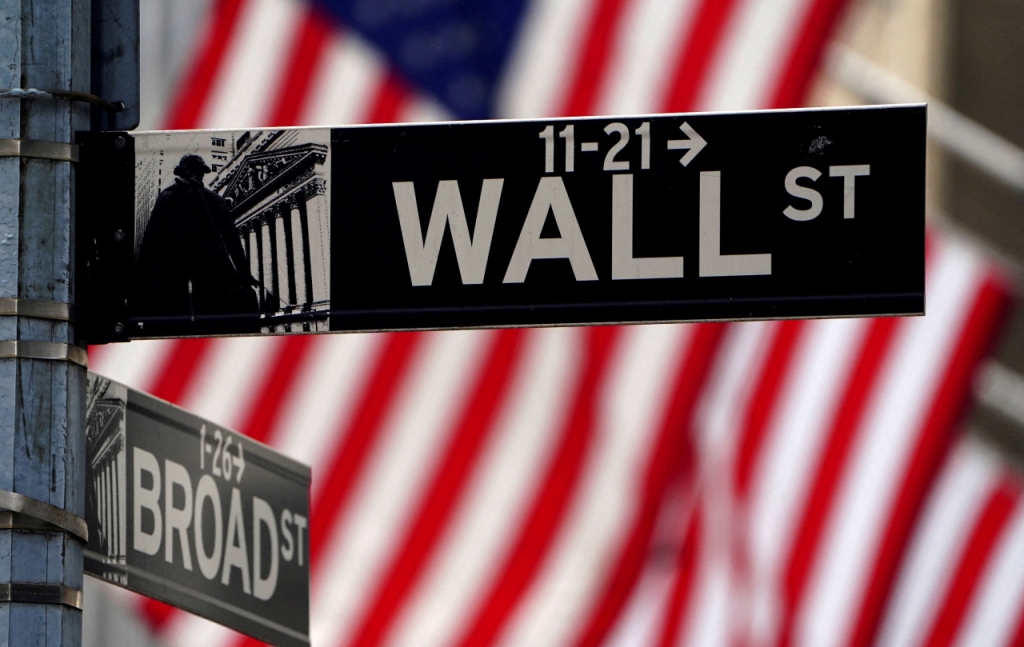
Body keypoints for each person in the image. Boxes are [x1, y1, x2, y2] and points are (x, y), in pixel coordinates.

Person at [133, 154, 260, 333]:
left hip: (202, 275)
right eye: (197, 172)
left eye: (200, 173)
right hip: (179, 275)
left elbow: (232, 241)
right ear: (188, 172)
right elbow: (150, 244)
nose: (198, 176)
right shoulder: (170, 197)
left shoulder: (210, 200)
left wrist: (245, 274)